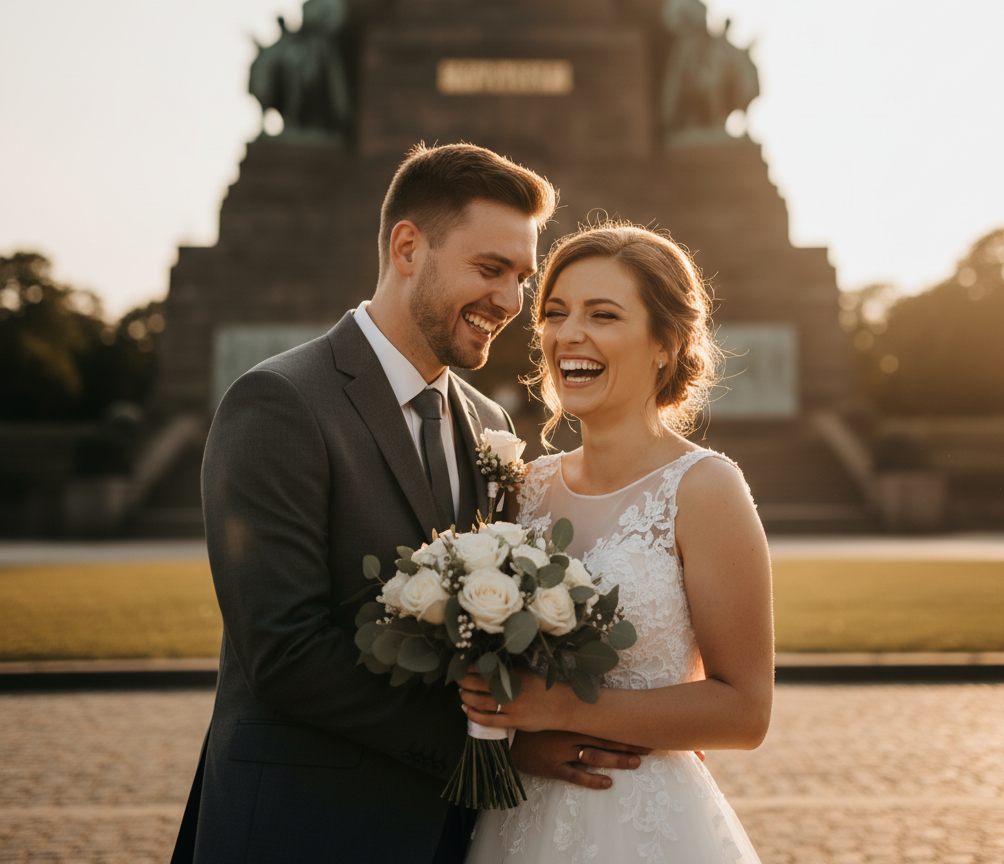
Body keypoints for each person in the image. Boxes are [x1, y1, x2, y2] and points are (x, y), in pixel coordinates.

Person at [170, 143, 650, 864]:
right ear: (406, 248)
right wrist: (499, 740)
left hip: (448, 835)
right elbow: (285, 650)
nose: (510, 302)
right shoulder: (279, 402)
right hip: (302, 828)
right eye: (490, 269)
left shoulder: (491, 425)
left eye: (521, 277)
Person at [460, 222, 774, 863]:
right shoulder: (520, 488)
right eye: (555, 313)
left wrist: (560, 707)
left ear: (665, 344)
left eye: (602, 314)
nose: (567, 333)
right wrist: (521, 739)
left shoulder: (705, 489)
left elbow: (744, 712)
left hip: (642, 824)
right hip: (517, 818)